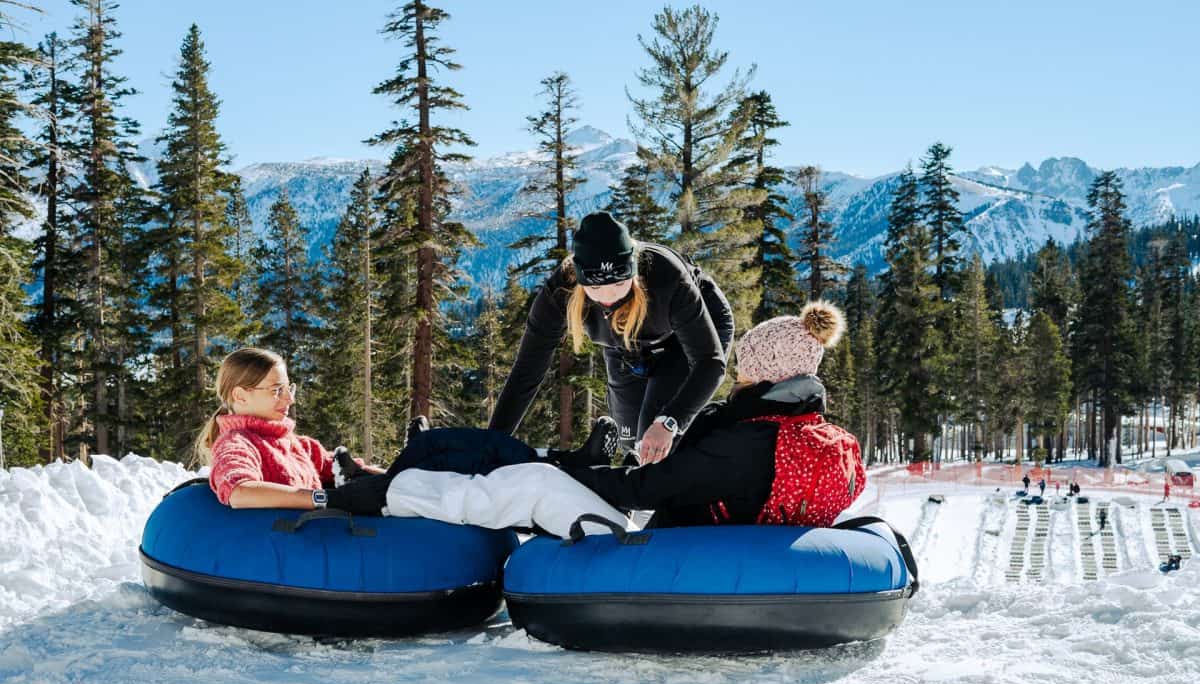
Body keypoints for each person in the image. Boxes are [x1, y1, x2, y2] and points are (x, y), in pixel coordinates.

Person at [195, 347, 626, 538]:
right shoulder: (238, 445)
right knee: (432, 458)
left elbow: (356, 477)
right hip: (353, 509)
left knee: (443, 450)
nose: (288, 398)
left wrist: (365, 477)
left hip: (371, 495)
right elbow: (239, 492)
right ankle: (563, 463)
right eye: (276, 390)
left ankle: (564, 461)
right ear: (239, 396)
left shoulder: (301, 445)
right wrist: (322, 498)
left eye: (289, 387)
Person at [561, 302, 866, 529]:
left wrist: (573, 474)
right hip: (775, 566)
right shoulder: (821, 434)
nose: (737, 376)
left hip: (697, 565)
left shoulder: (747, 445)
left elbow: (645, 489)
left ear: (764, 374)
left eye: (744, 369)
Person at [489, 211, 735, 466]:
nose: (608, 297)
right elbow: (527, 370)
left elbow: (710, 362)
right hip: (625, 345)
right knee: (629, 440)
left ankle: (682, 489)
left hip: (687, 340)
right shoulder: (561, 291)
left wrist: (670, 421)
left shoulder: (666, 278)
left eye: (619, 285)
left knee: (652, 445)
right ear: (579, 279)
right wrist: (492, 441)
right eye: (594, 288)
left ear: (633, 272)